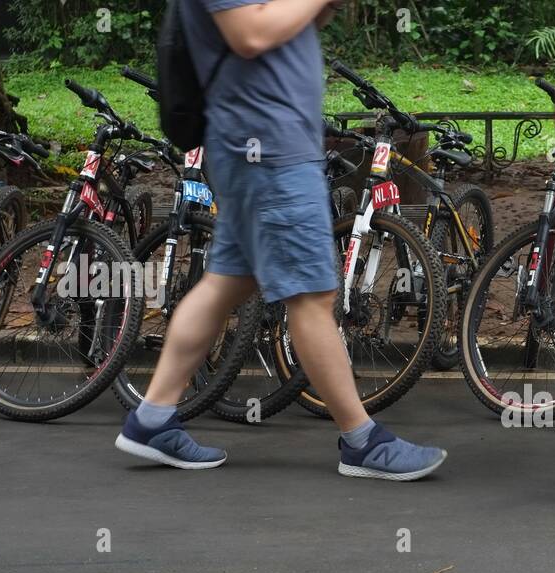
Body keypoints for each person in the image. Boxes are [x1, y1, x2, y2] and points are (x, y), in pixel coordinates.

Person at [114, 0, 446, 481]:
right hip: (268, 152)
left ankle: (152, 420)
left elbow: (293, 23)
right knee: (311, 295)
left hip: (269, 147)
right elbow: (250, 33)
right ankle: (362, 441)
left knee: (226, 283)